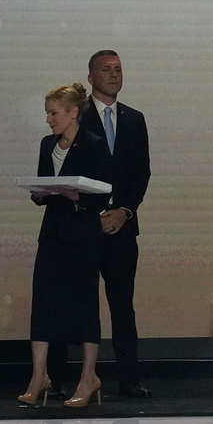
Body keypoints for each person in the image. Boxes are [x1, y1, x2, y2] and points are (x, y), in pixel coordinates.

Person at [20, 81, 111, 409]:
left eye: (53, 113)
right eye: (47, 113)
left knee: (84, 305)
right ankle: (39, 377)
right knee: (43, 302)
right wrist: (40, 194)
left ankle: (88, 378)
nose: (49, 119)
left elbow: (105, 190)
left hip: (83, 234)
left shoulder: (94, 144)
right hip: (53, 233)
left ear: (73, 113)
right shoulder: (47, 145)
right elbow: (44, 183)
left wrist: (77, 198)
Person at [77, 49, 153, 398]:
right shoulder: (77, 115)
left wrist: (125, 211)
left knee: (123, 306)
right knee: (79, 305)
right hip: (84, 227)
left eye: (118, 69)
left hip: (122, 228)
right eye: (106, 69)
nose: (113, 74)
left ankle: (129, 378)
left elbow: (141, 172)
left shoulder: (134, 119)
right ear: (91, 77)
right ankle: (74, 378)